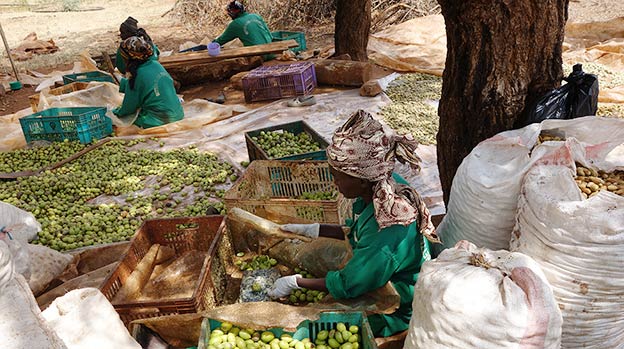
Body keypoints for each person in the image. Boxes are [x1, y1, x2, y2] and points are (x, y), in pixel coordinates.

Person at [268, 110, 440, 338]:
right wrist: (313, 229)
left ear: (361, 180)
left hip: (397, 302)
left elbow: (350, 284)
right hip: (378, 272)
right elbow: (356, 230)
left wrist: (296, 282)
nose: (334, 182)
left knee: (313, 325)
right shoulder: (380, 188)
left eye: (338, 176)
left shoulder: (387, 229)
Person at [113, 36, 184, 129]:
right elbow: (148, 83)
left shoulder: (136, 76)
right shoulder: (156, 65)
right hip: (178, 114)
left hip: (160, 121)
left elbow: (128, 108)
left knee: (127, 120)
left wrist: (115, 112)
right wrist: (124, 84)